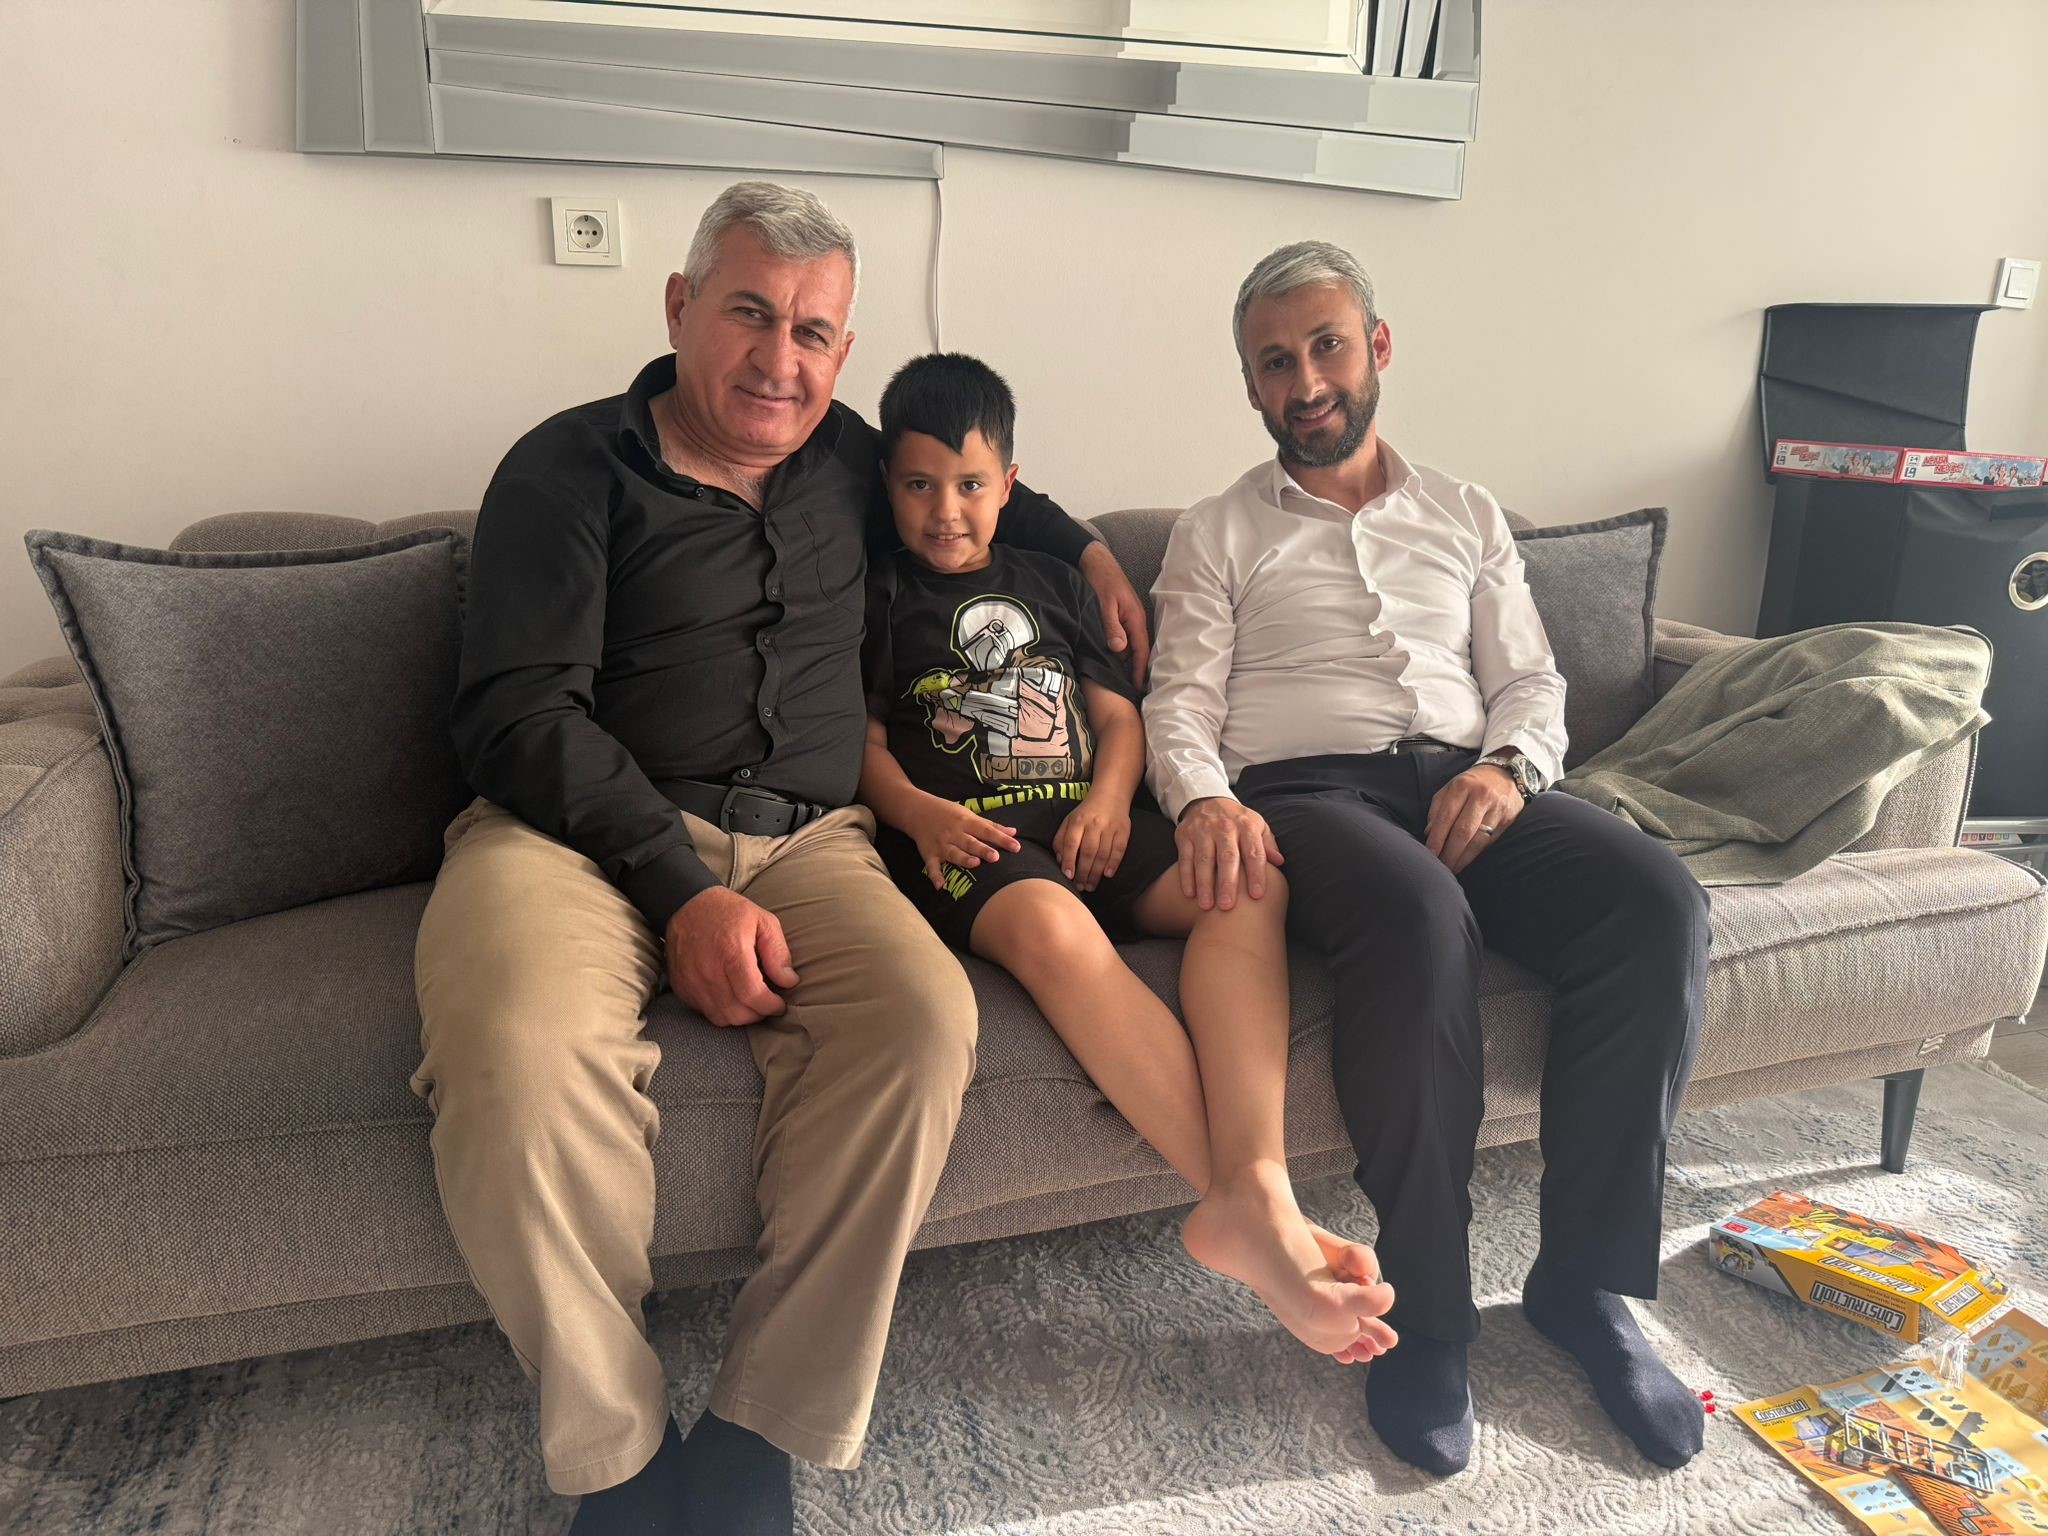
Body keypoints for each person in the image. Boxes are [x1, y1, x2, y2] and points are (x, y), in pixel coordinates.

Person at [409, 182, 1148, 1536]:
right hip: (573, 835)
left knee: (923, 1024)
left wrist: (1092, 550)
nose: (779, 358)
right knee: (515, 1049)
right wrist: (680, 888)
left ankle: (760, 1426)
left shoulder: (856, 461)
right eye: (749, 313)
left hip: (813, 841)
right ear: (680, 306)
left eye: (813, 332)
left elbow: (986, 489)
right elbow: (515, 715)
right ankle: (619, 1454)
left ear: (843, 352)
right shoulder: (565, 470)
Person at [1143, 241, 1711, 1478]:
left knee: (1655, 903)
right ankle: (1427, 1309)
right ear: (1248, 385)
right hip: (1307, 795)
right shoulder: (1214, 530)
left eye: (1325, 347)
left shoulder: (1463, 512)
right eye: (1274, 363)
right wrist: (1202, 801)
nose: (1305, 382)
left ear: (1376, 347)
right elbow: (1177, 701)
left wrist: (1506, 770)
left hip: (1466, 782)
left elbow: (1531, 682)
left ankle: (1582, 1286)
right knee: (1415, 915)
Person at [856, 353, 1400, 1366]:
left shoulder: (1054, 583)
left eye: (970, 485)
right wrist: (921, 817)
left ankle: (1256, 1184)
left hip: (1092, 821)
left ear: (1009, 486)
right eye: (918, 485)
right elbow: (863, 742)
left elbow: (1117, 719)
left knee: (1245, 885)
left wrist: (1111, 802)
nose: (945, 512)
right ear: (886, 483)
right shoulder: (875, 596)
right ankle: (1263, 1224)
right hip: (974, 841)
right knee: (1057, 932)